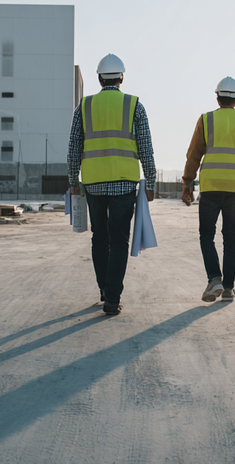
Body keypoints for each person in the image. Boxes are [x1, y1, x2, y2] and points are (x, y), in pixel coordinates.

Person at [67, 53, 158, 315]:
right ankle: (113, 298)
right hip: (124, 184)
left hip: (93, 183)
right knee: (119, 240)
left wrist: (74, 181)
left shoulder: (83, 107)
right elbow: (146, 149)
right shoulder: (135, 106)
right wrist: (150, 182)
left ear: (98, 79)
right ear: (121, 77)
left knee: (99, 237)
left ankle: (104, 290)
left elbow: (73, 149)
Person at [182, 77, 235, 302]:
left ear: (217, 98)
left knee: (206, 235)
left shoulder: (206, 120)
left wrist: (188, 183)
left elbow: (194, 154)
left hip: (210, 187)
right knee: (231, 238)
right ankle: (228, 287)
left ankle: (214, 278)